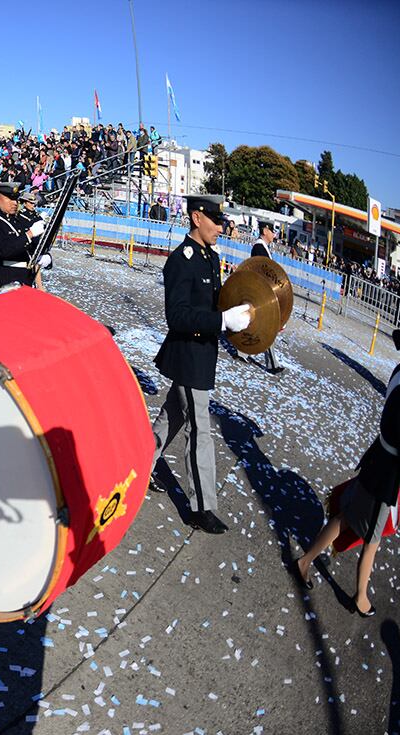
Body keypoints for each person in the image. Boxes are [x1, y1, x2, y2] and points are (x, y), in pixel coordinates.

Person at [150, 195, 252, 534]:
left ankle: (138, 461)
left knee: (172, 416)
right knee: (200, 429)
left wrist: (252, 316)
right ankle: (201, 506)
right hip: (188, 355)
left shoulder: (209, 257)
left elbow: (215, 305)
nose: (222, 228)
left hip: (202, 354)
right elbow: (177, 315)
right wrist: (222, 321)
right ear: (197, 218)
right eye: (216, 221)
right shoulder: (182, 260)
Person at [294, 328, 400, 616]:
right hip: (386, 472)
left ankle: (306, 561)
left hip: (378, 460)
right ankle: (361, 597)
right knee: (372, 539)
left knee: (347, 518)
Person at [0, 181, 50, 289]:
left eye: (16, 199)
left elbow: (27, 247)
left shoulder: (18, 221)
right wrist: (29, 234)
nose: (15, 203)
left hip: (24, 279)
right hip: (6, 279)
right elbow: (4, 250)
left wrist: (41, 256)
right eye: (10, 199)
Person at [236, 222, 284, 374]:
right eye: (272, 231)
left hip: (262, 292)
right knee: (265, 325)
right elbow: (263, 271)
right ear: (265, 231)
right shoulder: (259, 248)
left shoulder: (263, 247)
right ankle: (269, 362)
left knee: (259, 324)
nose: (274, 235)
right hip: (260, 293)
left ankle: (246, 353)